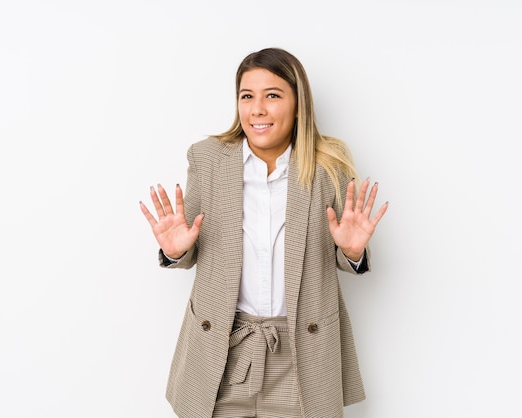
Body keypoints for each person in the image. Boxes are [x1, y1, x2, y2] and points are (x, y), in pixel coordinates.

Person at [139, 47, 388, 418]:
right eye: (247, 96)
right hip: (222, 349)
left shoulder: (328, 165)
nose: (257, 109)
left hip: (302, 352)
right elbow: (188, 247)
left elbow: (342, 256)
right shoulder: (208, 158)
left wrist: (352, 253)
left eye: (272, 95)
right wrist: (176, 252)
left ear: (299, 104)